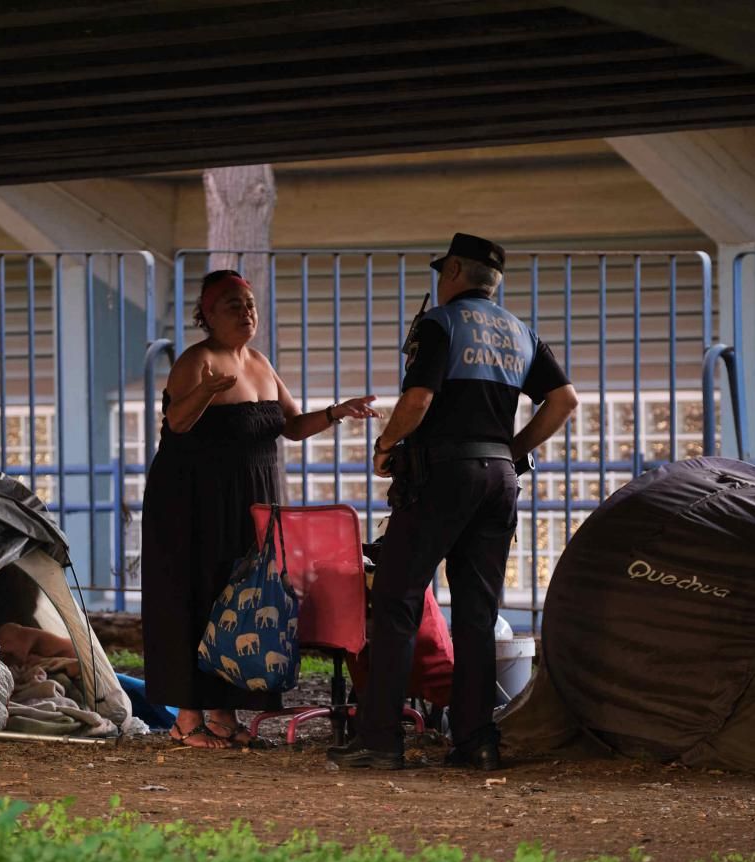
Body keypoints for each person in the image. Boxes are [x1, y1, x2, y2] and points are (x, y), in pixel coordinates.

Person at [327, 233, 578, 771]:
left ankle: (378, 740)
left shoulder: (440, 324)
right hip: (499, 480)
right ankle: (476, 742)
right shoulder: (520, 332)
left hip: (442, 475)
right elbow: (564, 401)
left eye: (444, 273)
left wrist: (387, 443)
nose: (440, 283)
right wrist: (512, 451)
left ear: (457, 271)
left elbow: (418, 398)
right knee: (477, 612)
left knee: (396, 599)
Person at [141, 269, 378, 749]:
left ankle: (224, 713)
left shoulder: (261, 363)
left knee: (244, 600)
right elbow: (177, 423)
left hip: (252, 499)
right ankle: (188, 718)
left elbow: (290, 426)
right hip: (193, 501)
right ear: (207, 315)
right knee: (196, 595)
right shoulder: (196, 361)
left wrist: (337, 412)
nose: (246, 311)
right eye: (233, 304)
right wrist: (206, 392)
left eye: (249, 303)